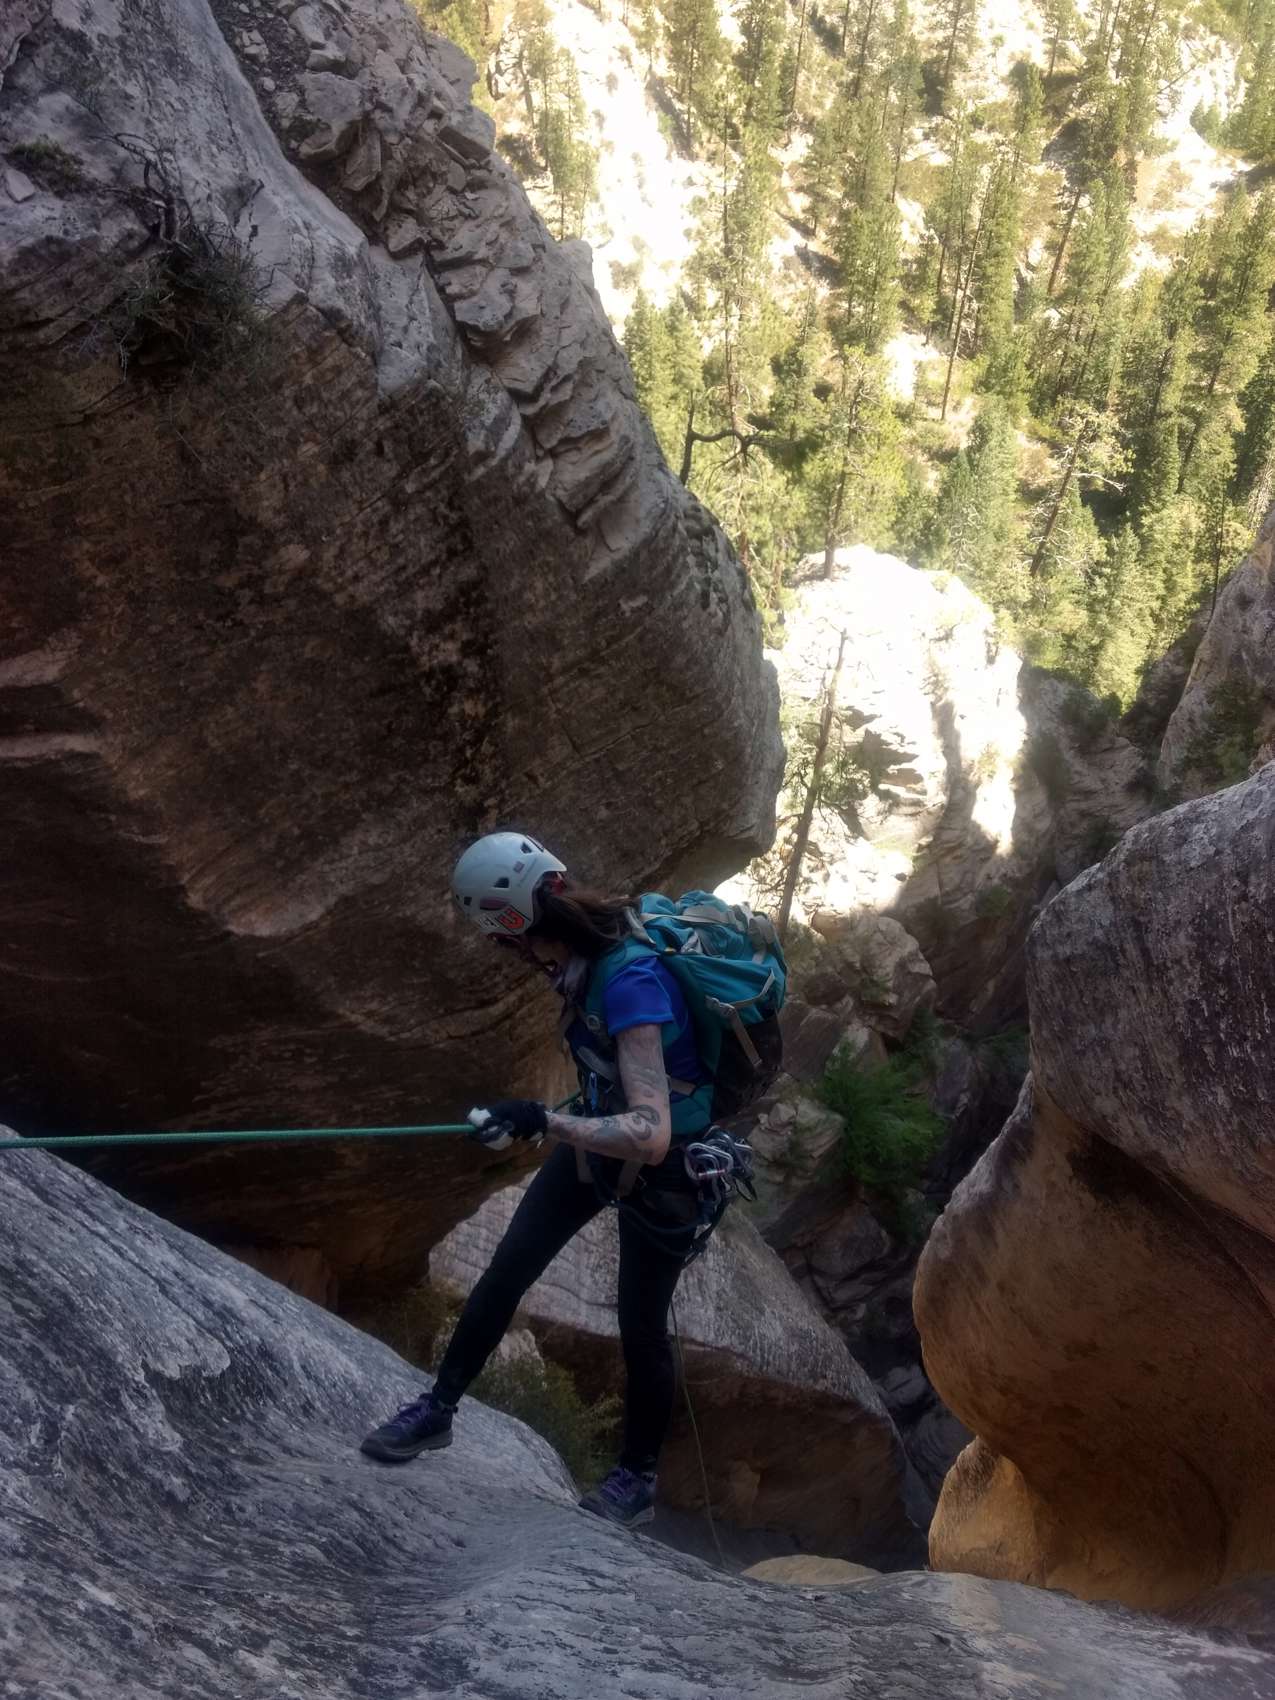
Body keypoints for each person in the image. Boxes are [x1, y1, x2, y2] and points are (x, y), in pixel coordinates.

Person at [360, 831, 718, 1530]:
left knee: (641, 1324)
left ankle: (636, 1478)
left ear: (517, 921)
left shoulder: (630, 980)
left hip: (666, 1166)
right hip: (598, 1139)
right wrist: (521, 1122)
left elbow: (651, 1133)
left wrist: (543, 1121)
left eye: (502, 938)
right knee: (506, 1271)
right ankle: (437, 1409)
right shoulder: (584, 963)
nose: (507, 952)